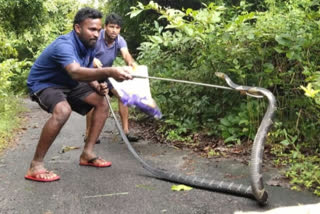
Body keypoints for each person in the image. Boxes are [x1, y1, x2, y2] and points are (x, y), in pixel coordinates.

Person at [25, 8, 132, 182]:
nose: (96, 34)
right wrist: (111, 71)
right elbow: (75, 72)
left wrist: (97, 86)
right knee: (63, 110)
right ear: (77, 28)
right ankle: (35, 165)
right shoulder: (64, 44)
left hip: (70, 83)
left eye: (98, 30)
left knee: (101, 102)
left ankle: (87, 154)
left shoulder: (89, 44)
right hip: (46, 83)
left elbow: (87, 68)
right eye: (92, 29)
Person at [85, 13, 139, 143]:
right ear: (105, 27)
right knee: (95, 100)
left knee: (123, 96)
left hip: (107, 74)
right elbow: (83, 54)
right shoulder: (96, 37)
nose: (114, 30)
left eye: (117, 27)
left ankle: (126, 131)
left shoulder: (119, 40)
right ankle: (88, 134)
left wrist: (132, 64)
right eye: (111, 27)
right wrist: (92, 60)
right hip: (91, 74)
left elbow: (126, 54)